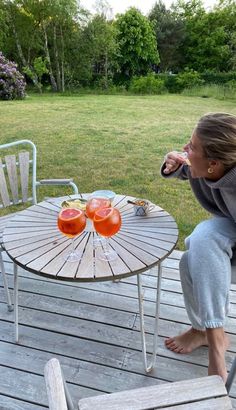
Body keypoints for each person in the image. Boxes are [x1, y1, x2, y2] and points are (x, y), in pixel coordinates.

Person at [161, 112, 236, 382]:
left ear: (214, 164)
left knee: (204, 239)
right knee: (191, 257)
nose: (185, 149)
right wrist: (175, 164)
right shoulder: (220, 165)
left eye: (191, 147)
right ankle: (202, 330)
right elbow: (195, 168)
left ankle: (216, 343)